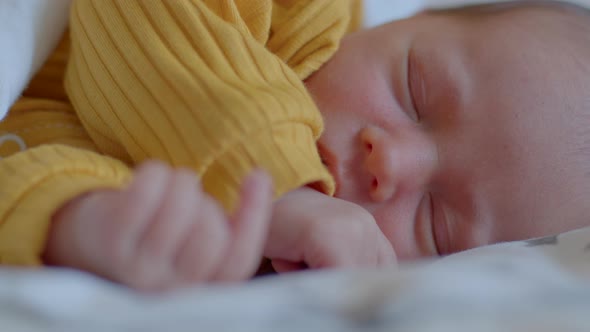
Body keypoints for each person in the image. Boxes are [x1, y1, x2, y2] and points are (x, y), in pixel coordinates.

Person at [1, 0, 590, 290]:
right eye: (415, 90)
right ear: (405, 21)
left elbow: (21, 166)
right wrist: (275, 176)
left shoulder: (262, 270)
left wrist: (83, 227)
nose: (392, 162)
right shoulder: (297, 15)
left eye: (438, 223)